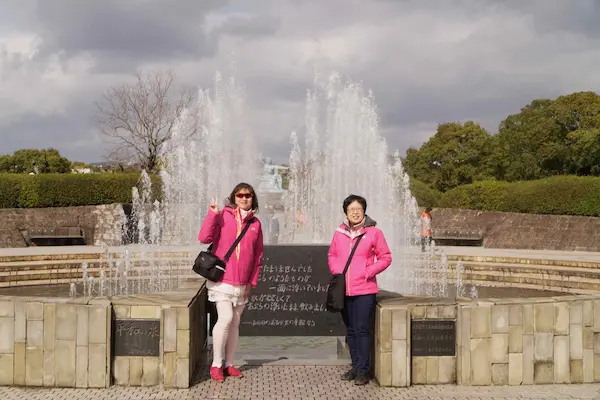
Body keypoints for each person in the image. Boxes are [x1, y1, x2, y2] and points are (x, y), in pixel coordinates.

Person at [198, 182, 264, 383]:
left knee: (235, 322)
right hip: (223, 279)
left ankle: (229, 364)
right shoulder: (223, 215)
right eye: (240, 195)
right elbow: (204, 237)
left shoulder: (256, 224)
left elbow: (258, 255)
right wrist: (211, 215)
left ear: (253, 198)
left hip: (243, 281)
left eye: (248, 195)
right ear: (234, 197)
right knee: (225, 318)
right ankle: (216, 364)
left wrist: (252, 280)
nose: (244, 198)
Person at [327, 194, 392, 385]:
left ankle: (364, 370)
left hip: (365, 289)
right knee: (351, 331)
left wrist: (368, 271)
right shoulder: (339, 232)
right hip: (344, 289)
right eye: (351, 209)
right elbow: (332, 254)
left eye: (359, 209)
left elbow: (386, 257)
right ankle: (355, 367)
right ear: (346, 212)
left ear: (364, 211)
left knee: (363, 330)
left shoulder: (374, 233)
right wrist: (337, 271)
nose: (355, 212)